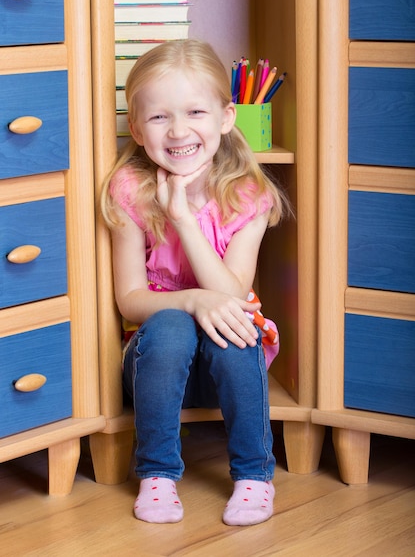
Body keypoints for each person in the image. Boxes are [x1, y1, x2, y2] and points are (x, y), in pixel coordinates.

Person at [101, 39, 291, 526]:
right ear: (137, 129)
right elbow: (129, 300)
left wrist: (183, 219)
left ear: (226, 118)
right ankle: (158, 475)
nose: (180, 130)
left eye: (195, 112)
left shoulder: (249, 196)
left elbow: (231, 297)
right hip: (157, 374)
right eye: (160, 117)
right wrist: (189, 301)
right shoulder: (130, 191)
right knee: (169, 325)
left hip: (228, 368)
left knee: (233, 326)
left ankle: (254, 477)